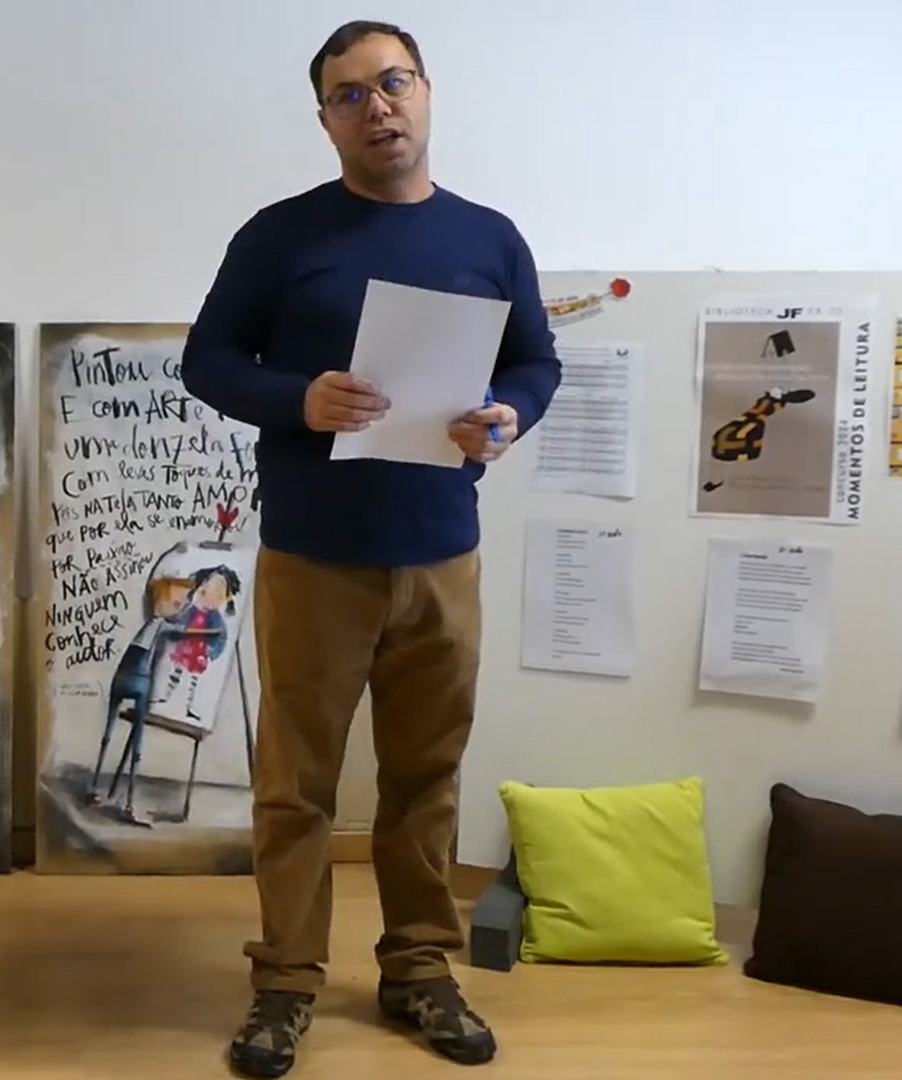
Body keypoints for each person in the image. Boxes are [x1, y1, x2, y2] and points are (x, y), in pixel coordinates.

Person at [177, 20, 562, 1078]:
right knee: (295, 785)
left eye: (392, 83)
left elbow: (536, 362)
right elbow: (207, 360)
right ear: (326, 120)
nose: (376, 106)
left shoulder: (489, 237)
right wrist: (296, 399)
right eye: (350, 94)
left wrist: (511, 415)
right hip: (314, 555)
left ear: (426, 92)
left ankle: (421, 969)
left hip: (442, 550)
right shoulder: (281, 236)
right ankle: (285, 982)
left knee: (426, 775)